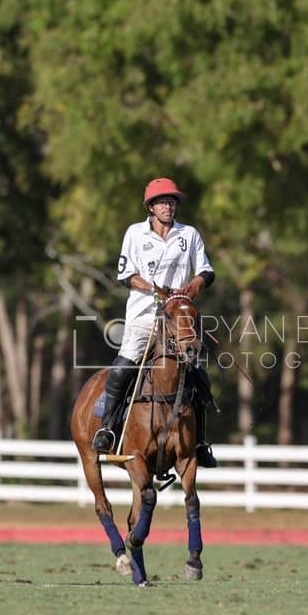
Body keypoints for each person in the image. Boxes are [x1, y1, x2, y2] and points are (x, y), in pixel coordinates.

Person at [91, 177, 218, 467]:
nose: (168, 205)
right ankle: (108, 430)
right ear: (150, 207)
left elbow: (207, 271)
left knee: (200, 375)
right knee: (123, 367)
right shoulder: (135, 234)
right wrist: (153, 289)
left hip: (179, 319)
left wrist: (196, 284)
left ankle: (200, 443)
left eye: (172, 201)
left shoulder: (189, 235)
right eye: (162, 201)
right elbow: (126, 275)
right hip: (144, 315)